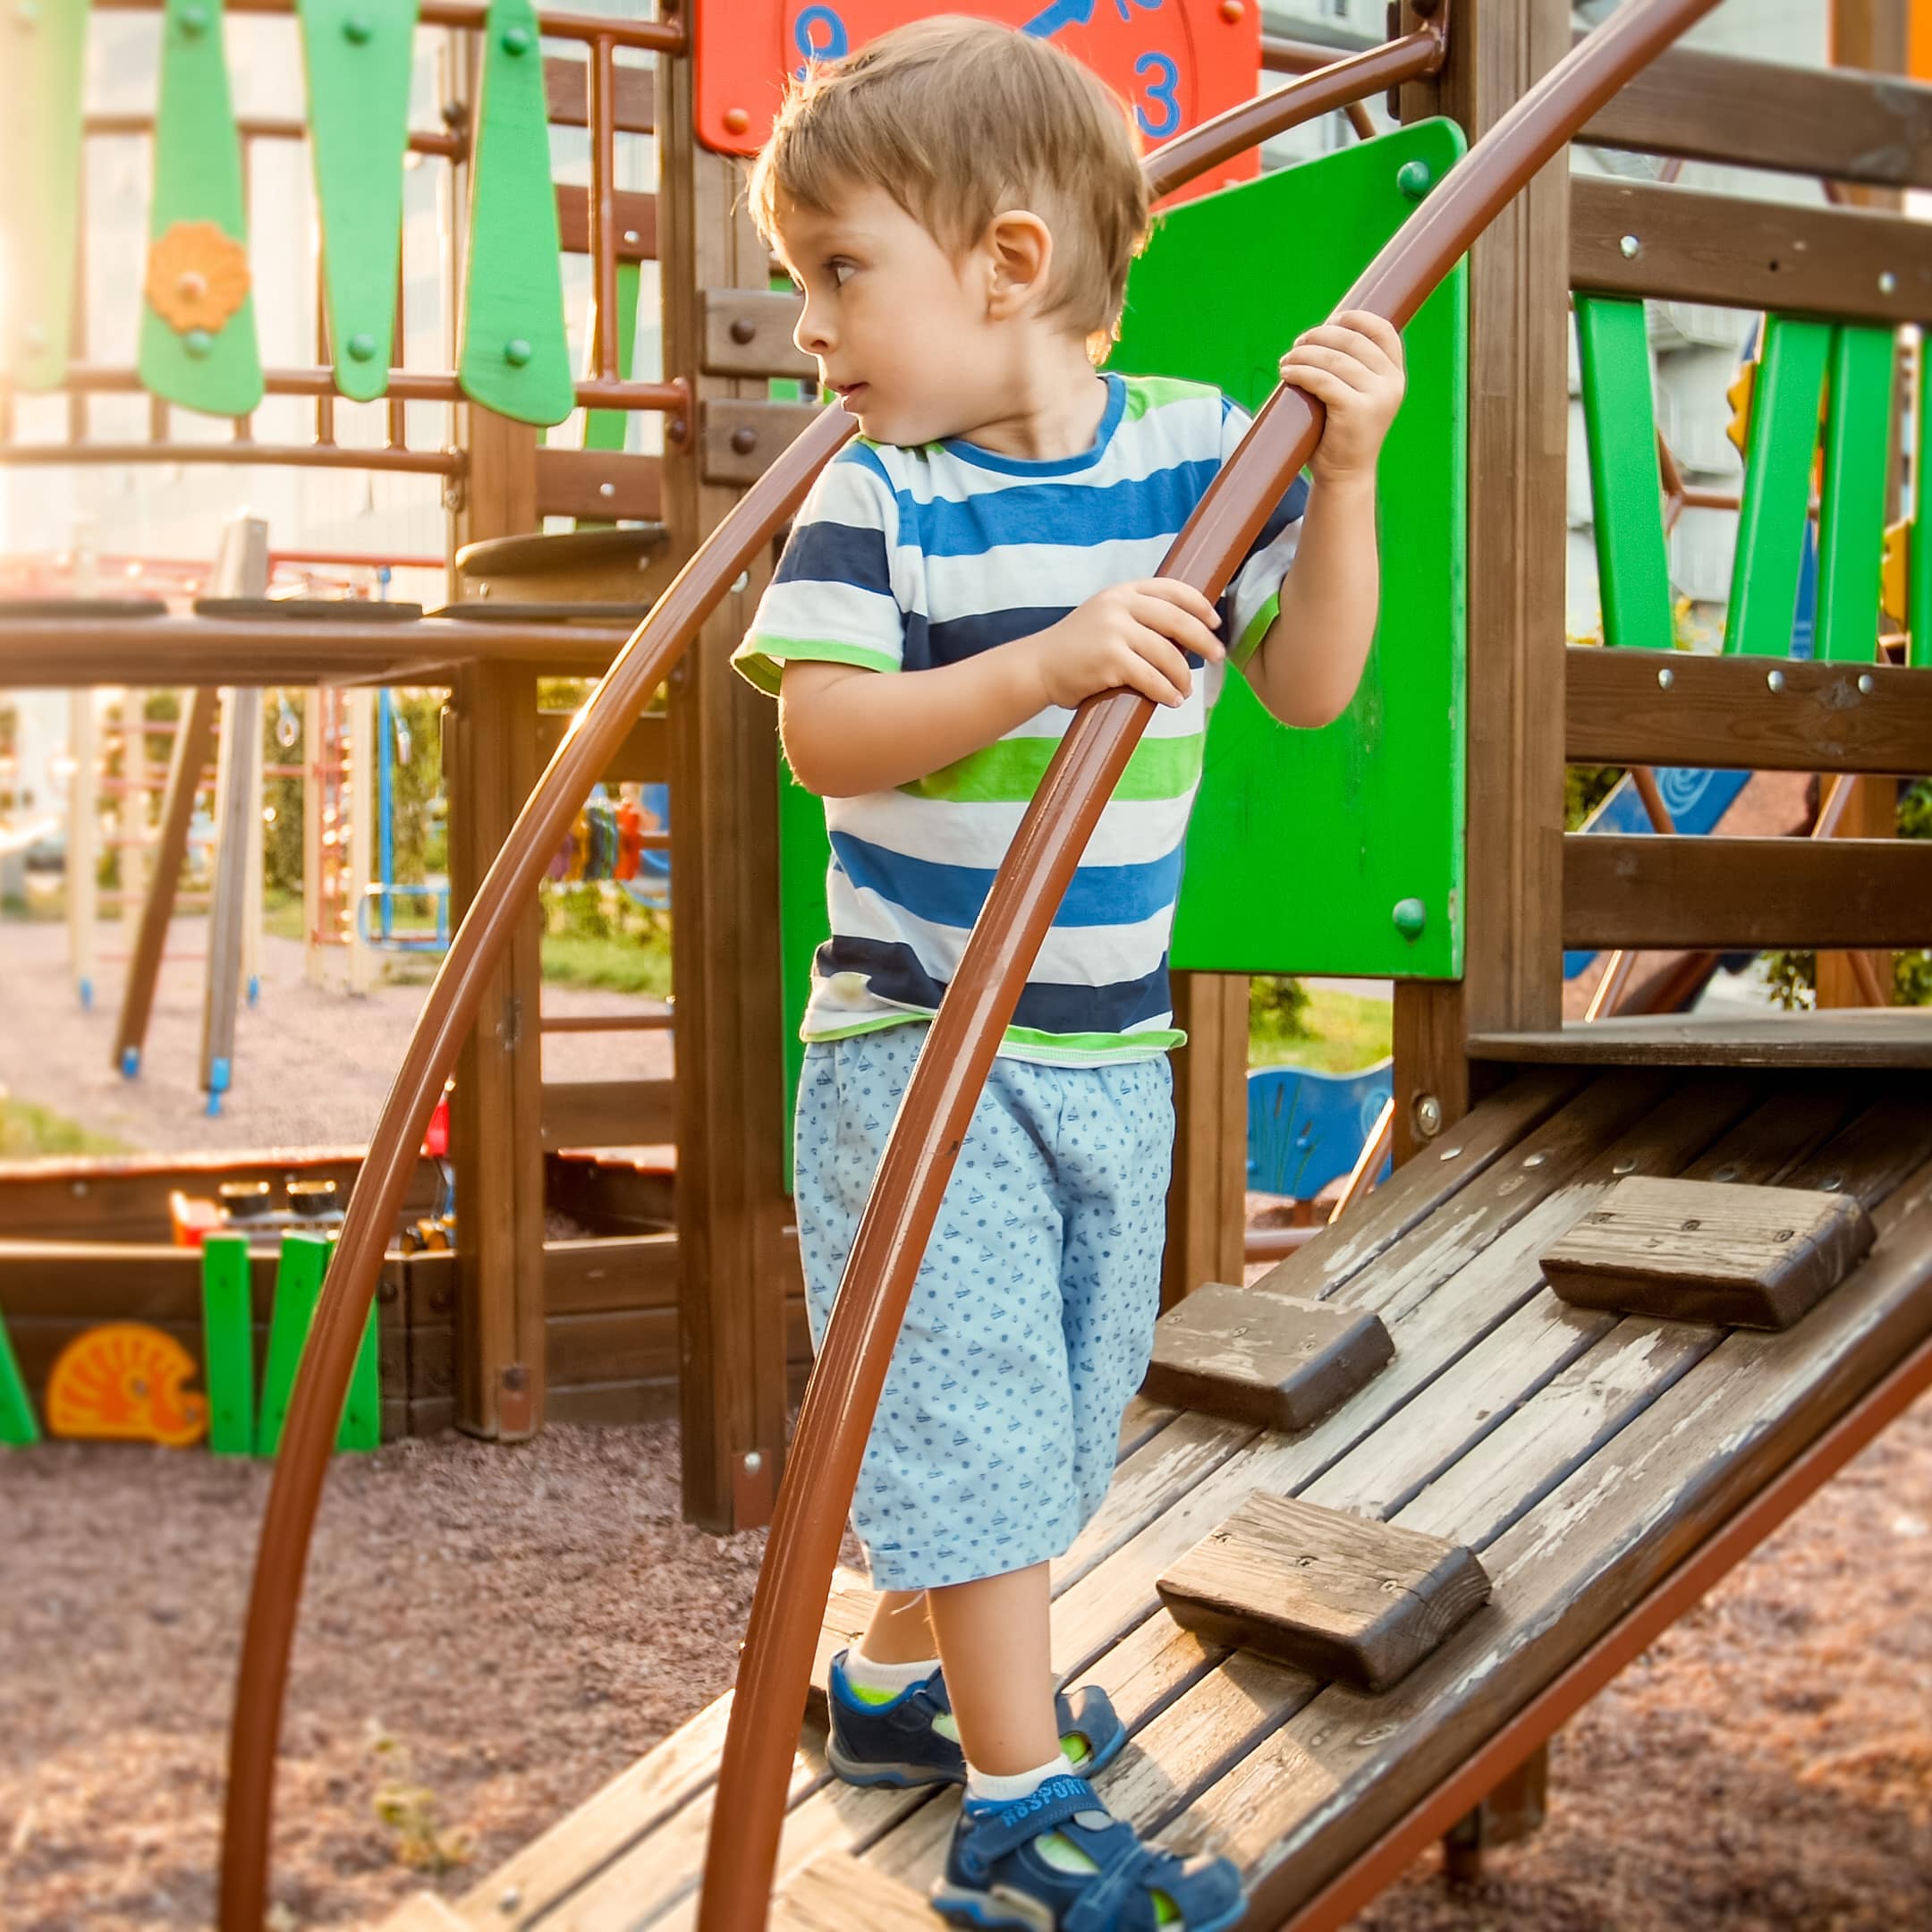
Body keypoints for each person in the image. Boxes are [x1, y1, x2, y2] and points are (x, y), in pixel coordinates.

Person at [733, 18, 1404, 1928]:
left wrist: (1339, 477)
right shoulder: (885, 495)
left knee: (1052, 1400)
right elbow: (832, 738)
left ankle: (883, 1691)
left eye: (841, 272)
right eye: (806, 285)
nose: (812, 329)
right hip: (916, 1045)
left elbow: (1308, 682)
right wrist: (1040, 665)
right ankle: (1017, 1817)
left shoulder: (1204, 451)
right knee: (981, 1409)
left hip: (1106, 1049)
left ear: (1009, 264)